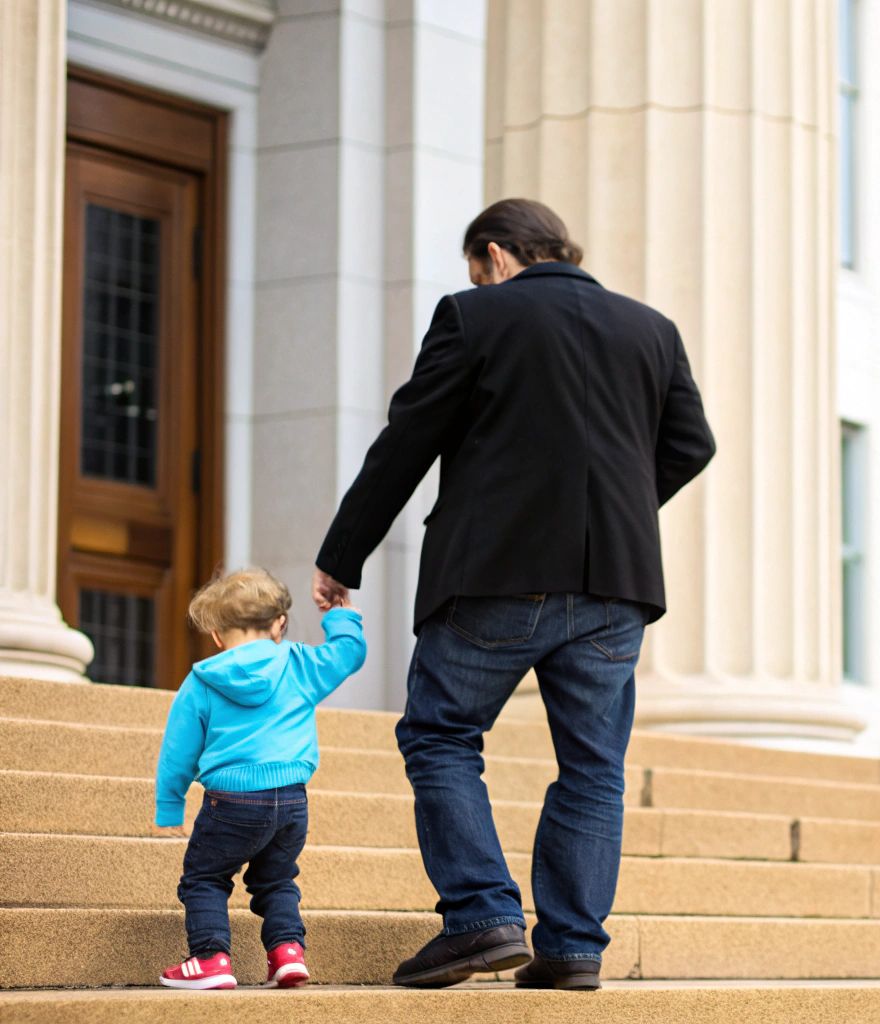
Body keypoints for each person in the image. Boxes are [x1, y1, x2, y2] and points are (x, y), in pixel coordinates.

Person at [312, 198, 715, 990]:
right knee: (594, 767)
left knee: (440, 735)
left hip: (495, 572)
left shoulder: (475, 316)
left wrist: (342, 556)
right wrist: (617, 517)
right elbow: (691, 445)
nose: (476, 279)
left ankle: (480, 918)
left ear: (495, 255)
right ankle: (570, 949)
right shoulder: (651, 329)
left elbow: (409, 439)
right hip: (615, 585)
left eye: (476, 267)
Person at [152, 568, 367, 990]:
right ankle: (287, 953)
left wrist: (170, 803)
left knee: (205, 877)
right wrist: (341, 616)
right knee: (277, 879)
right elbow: (348, 654)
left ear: (215, 634)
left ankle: (211, 958)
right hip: (291, 800)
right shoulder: (301, 664)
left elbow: (178, 751)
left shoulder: (202, 680)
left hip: (229, 801)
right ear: (279, 624)